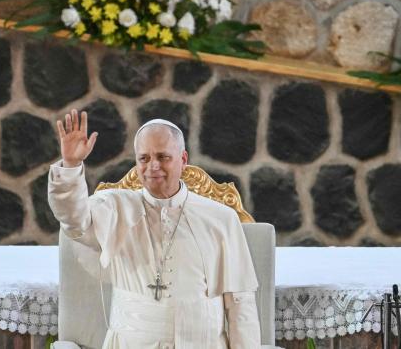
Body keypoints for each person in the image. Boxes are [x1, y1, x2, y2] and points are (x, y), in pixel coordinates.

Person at [48, 109, 261, 349]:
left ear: (183, 159)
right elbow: (73, 220)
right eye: (144, 158)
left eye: (163, 157)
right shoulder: (114, 207)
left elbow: (241, 304)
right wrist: (71, 165)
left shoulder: (222, 219)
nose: (153, 166)